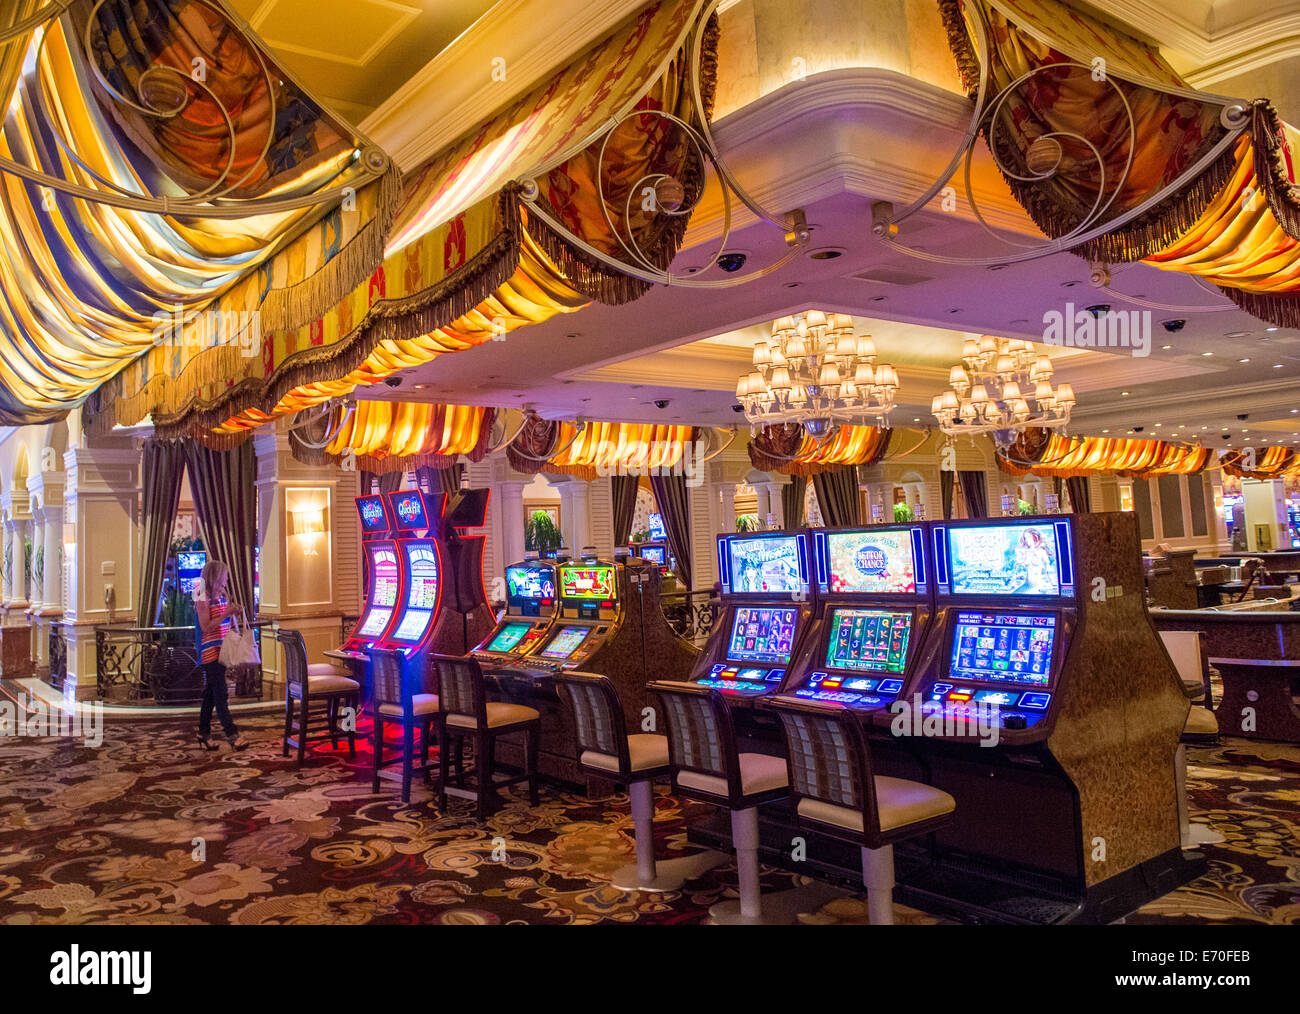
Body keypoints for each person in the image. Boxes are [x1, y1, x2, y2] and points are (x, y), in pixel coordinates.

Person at [194, 560, 247, 751]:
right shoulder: (202, 596)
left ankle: (203, 732)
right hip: (209, 651)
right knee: (220, 693)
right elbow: (206, 626)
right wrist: (226, 614)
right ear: (215, 576)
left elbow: (224, 619)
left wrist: (234, 613)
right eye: (223, 575)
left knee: (210, 693)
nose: (226, 579)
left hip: (222, 648)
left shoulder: (222, 594)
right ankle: (232, 734)